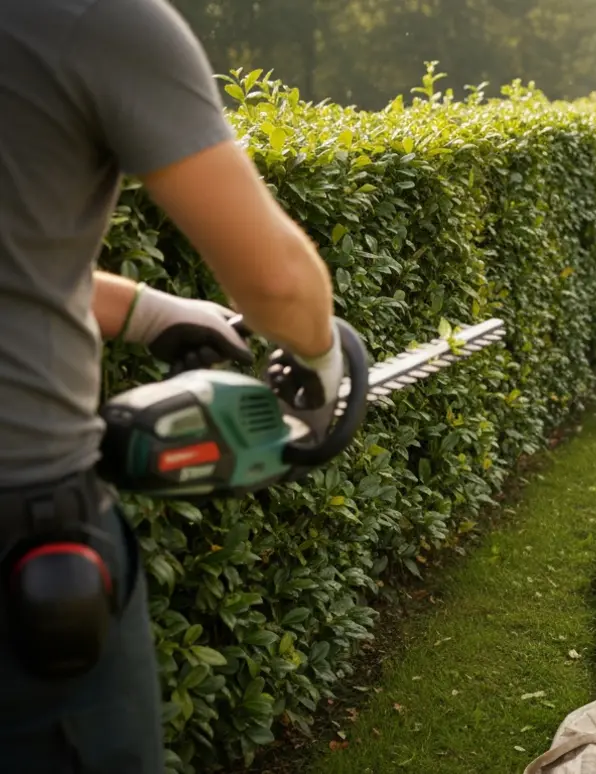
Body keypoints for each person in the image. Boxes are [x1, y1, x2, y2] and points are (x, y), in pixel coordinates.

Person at [1, 0, 345, 768]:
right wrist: (321, 365)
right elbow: (278, 282)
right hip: (30, 552)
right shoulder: (98, 18)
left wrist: (149, 311)